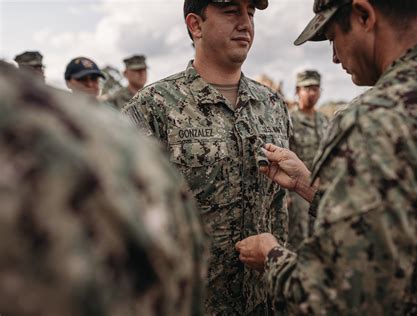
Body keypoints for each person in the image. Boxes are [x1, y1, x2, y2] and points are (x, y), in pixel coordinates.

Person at [236, 0, 417, 314]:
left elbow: (339, 297)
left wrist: (272, 258)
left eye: (334, 36)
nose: (334, 56)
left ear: (364, 15)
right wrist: (309, 187)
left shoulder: (374, 119)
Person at [0, 61, 207, 316]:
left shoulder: (109, 121)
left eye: (94, 80)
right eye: (83, 80)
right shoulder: (44, 122)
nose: (91, 86)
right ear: (68, 82)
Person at [123, 0, 291, 314]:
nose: (245, 24)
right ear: (195, 25)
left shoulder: (271, 104)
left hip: (264, 302)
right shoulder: (153, 106)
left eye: (250, 13)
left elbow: (281, 208)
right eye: (231, 12)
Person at [287, 70, 328, 249]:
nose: (312, 93)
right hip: (298, 192)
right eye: (307, 88)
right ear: (297, 91)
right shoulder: (290, 120)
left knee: (320, 236)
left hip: (321, 189)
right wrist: (286, 195)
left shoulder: (324, 120)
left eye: (315, 88)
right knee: (299, 239)